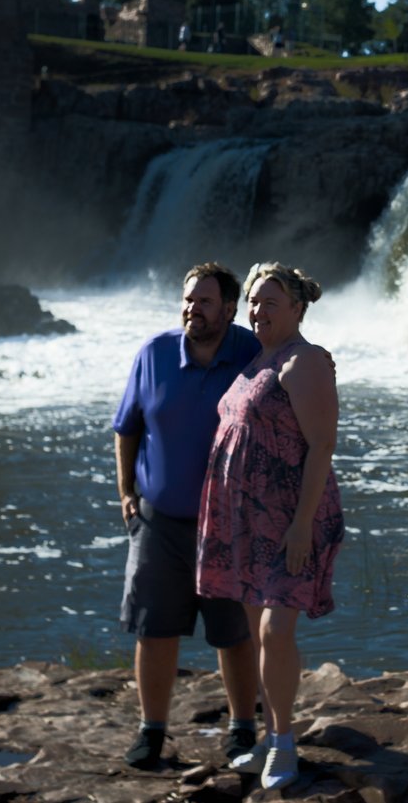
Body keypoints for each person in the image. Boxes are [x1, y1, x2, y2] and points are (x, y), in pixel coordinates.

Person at [197, 263, 344, 791]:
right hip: (245, 518)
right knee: (257, 633)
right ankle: (267, 733)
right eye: (254, 301)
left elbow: (322, 447)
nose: (257, 310)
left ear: (298, 309)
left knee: (276, 630)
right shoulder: (257, 357)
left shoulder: (305, 362)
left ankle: (284, 741)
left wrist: (303, 524)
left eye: (270, 302)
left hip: (290, 519)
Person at [112, 262, 261, 770]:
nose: (192, 309)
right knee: (154, 631)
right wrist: (126, 491)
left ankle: (243, 729)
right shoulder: (153, 354)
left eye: (204, 301)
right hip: (160, 522)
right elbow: (127, 425)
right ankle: (151, 733)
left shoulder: (251, 353)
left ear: (228, 309)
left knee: (235, 633)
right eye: (188, 299)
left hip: (229, 526)